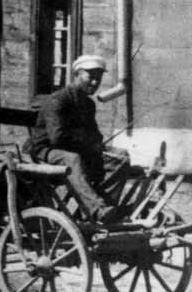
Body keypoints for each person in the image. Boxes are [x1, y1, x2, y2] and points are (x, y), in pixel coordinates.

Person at [26, 54, 127, 223]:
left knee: (120, 157)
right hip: (45, 151)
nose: (95, 83)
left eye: (99, 78)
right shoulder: (58, 100)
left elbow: (94, 134)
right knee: (72, 158)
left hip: (76, 149)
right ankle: (96, 209)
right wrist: (88, 145)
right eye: (90, 77)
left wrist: (97, 144)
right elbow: (57, 137)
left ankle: (106, 207)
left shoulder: (88, 105)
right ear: (76, 75)